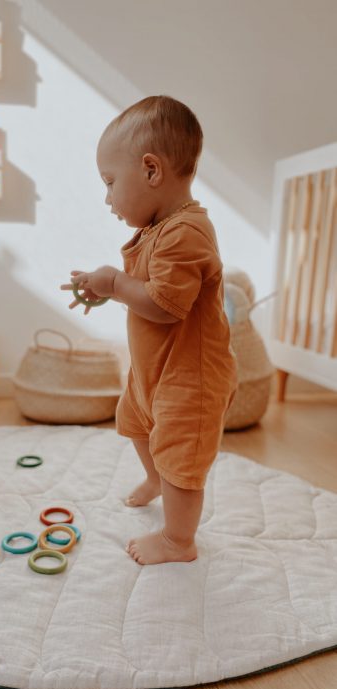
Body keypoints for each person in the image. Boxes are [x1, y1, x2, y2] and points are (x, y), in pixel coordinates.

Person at [61, 96, 237, 565]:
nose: (107, 198)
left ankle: (179, 540)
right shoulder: (159, 229)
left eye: (110, 182)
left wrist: (116, 283)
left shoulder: (186, 233)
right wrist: (108, 288)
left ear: (152, 171)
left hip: (191, 379)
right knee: (136, 420)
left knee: (181, 456)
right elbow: (146, 289)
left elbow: (163, 304)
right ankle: (155, 477)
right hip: (156, 370)